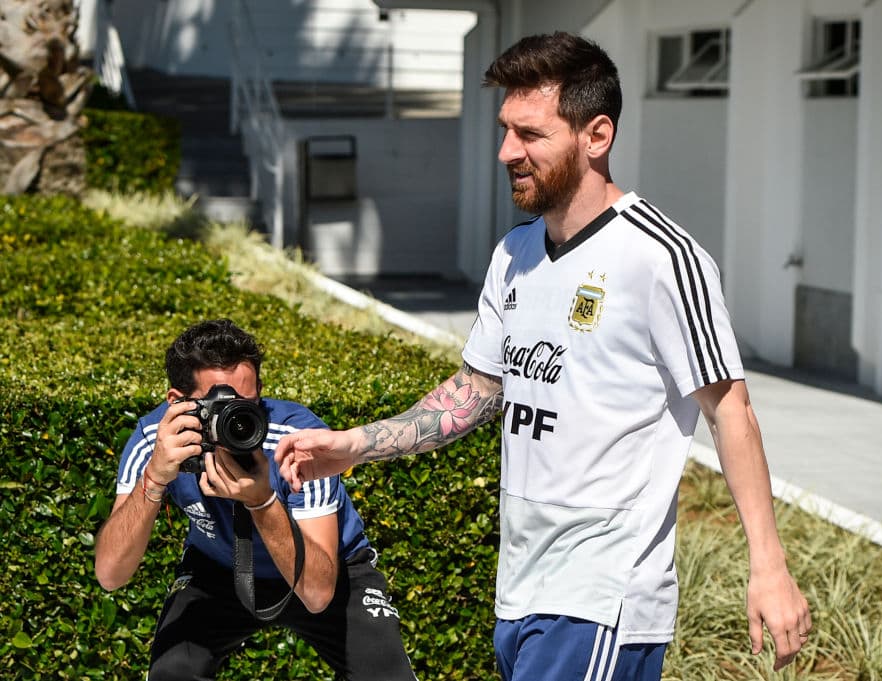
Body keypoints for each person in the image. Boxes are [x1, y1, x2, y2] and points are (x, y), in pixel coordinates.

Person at [274, 32, 811, 681]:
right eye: (506, 130)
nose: (507, 151)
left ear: (596, 135)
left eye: (530, 134)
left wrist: (768, 566)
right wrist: (353, 446)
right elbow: (474, 393)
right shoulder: (514, 253)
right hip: (520, 592)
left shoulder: (661, 258)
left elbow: (731, 411)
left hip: (602, 599)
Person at [94, 318, 417, 681]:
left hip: (325, 567)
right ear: (177, 403)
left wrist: (261, 501)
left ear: (261, 391)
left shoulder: (298, 438)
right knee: (172, 673)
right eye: (217, 407)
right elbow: (110, 575)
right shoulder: (158, 439)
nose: (235, 421)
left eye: (247, 405)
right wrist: (154, 479)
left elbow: (317, 593)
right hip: (219, 567)